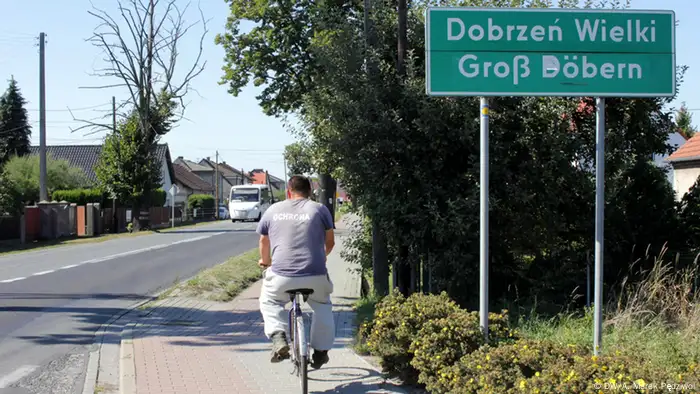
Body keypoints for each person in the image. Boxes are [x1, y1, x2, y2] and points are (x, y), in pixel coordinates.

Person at [256, 175, 336, 369]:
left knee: (269, 301)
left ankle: (278, 337)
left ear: (288, 192)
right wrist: (322, 257)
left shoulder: (273, 210)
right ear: (310, 191)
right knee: (323, 306)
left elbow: (264, 241)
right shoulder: (320, 209)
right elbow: (330, 241)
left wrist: (265, 262)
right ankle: (320, 352)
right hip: (315, 274)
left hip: (281, 275)